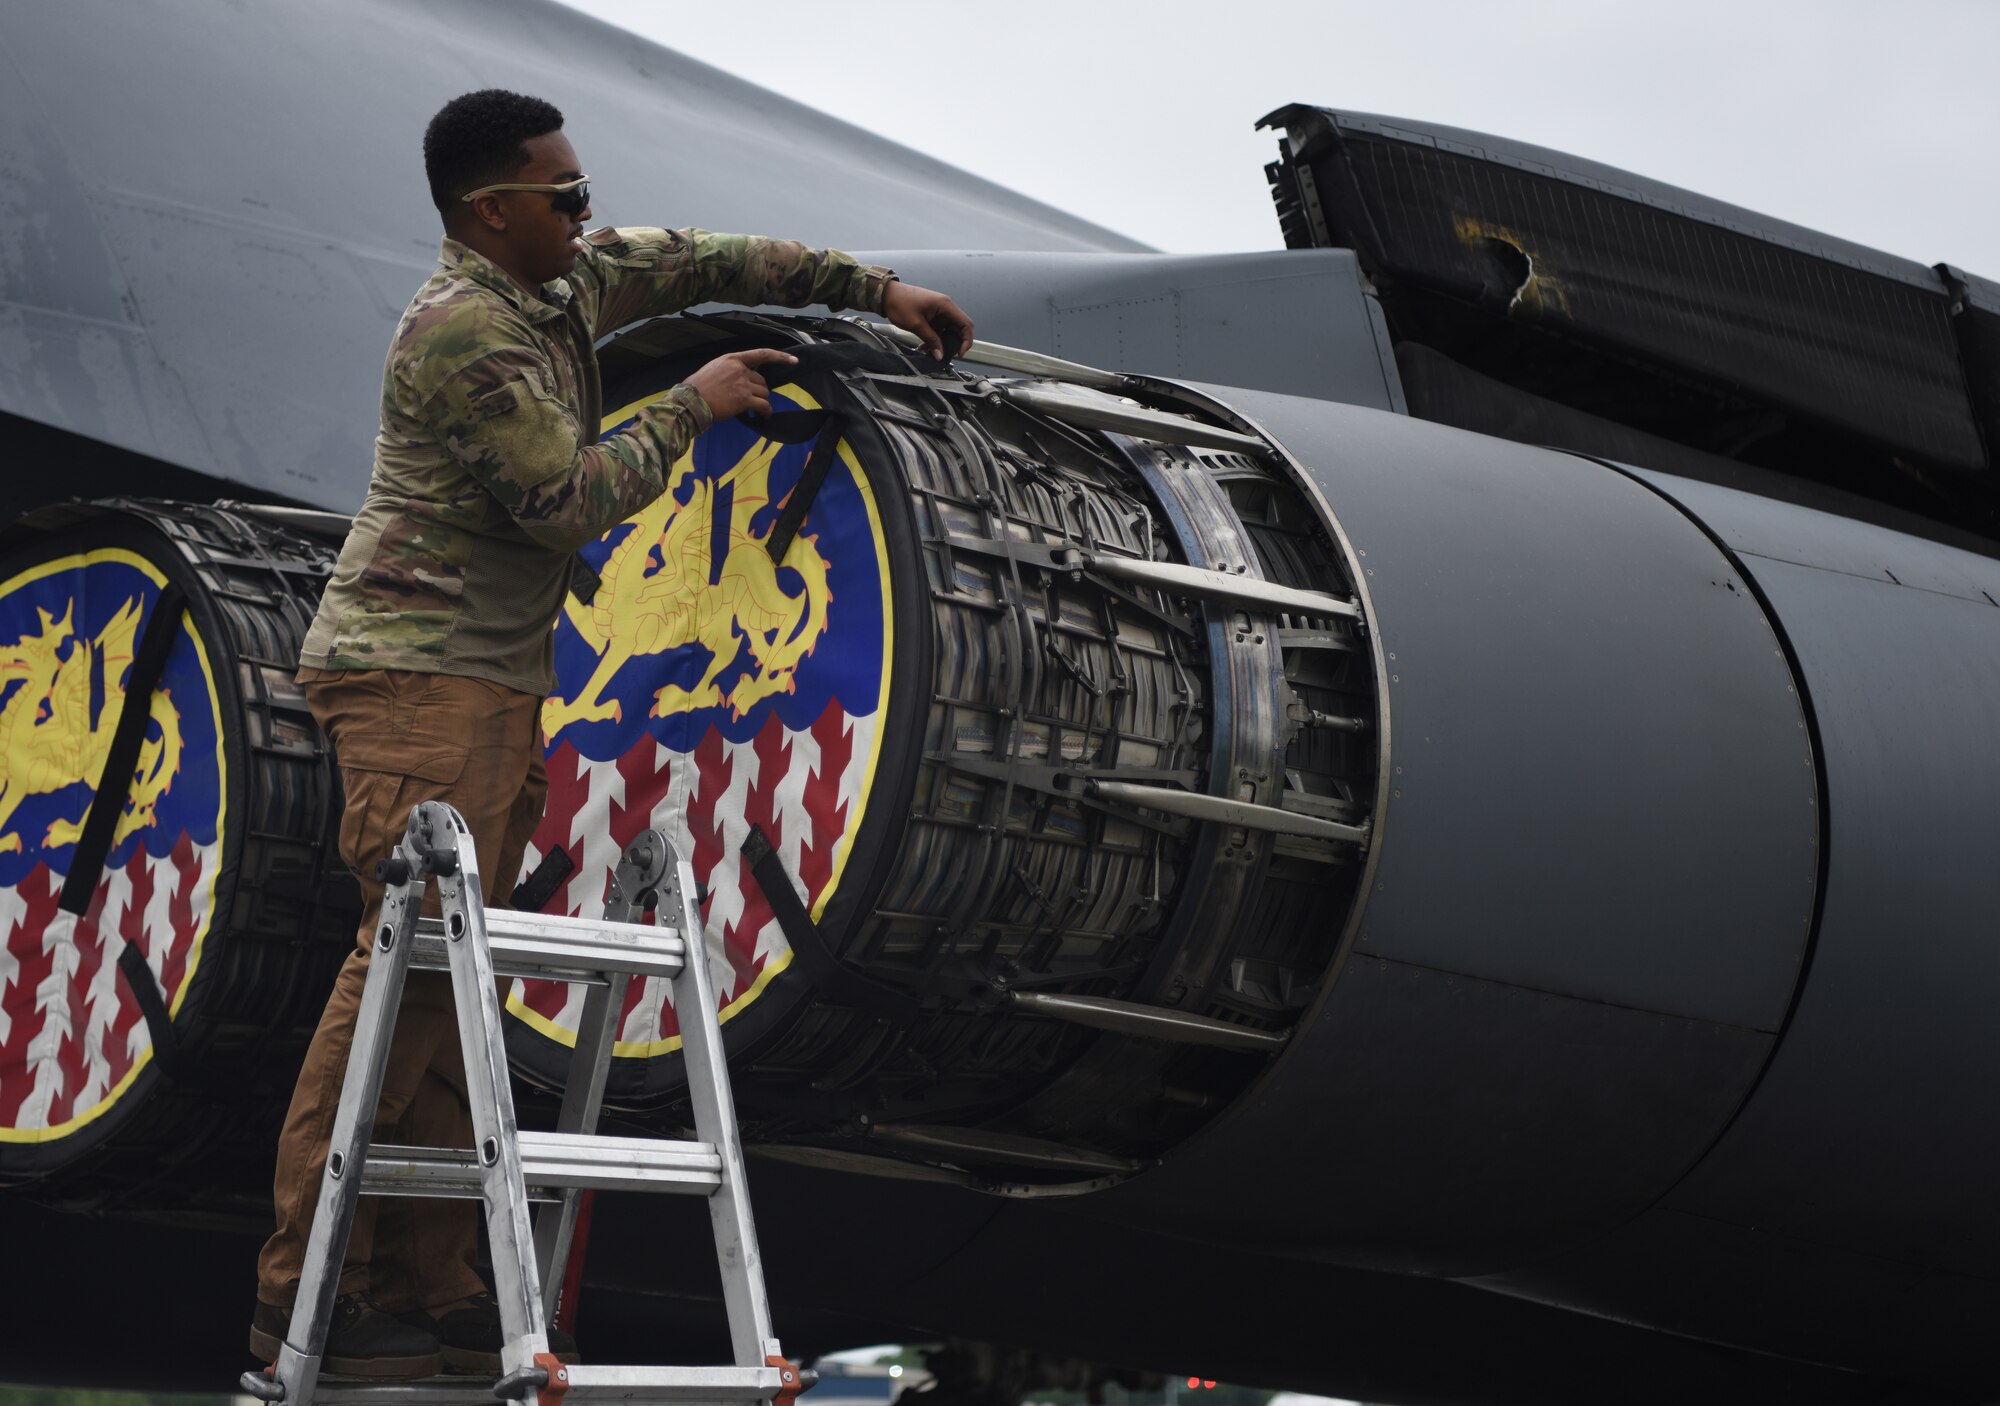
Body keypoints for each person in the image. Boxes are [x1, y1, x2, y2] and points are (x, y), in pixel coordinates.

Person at [250, 88, 973, 1381]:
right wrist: (695, 402)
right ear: (492, 211)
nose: (589, 216)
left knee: (439, 980)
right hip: (417, 677)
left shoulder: (560, 287)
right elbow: (561, 499)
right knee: (401, 972)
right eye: (565, 196)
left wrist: (882, 292)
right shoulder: (464, 332)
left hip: (488, 681)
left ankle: (436, 1288)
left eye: (587, 193)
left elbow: (707, 259)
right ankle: (308, 1282)